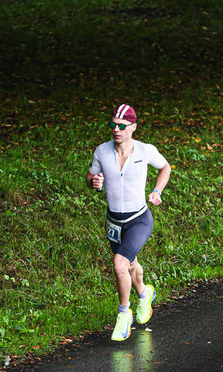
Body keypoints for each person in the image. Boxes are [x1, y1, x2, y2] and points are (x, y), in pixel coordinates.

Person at [85, 104, 171, 341]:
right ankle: (144, 294)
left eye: (122, 126)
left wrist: (157, 191)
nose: (116, 130)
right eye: (113, 125)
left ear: (133, 127)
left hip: (138, 219)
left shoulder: (145, 151)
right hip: (114, 222)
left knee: (119, 265)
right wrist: (93, 182)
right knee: (130, 264)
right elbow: (90, 177)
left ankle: (124, 314)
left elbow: (165, 167)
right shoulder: (102, 151)